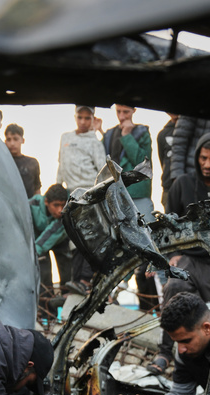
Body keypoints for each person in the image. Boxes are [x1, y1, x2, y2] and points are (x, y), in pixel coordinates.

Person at [150, 133, 210, 374]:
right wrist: (174, 255)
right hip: (189, 258)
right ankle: (164, 352)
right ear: (196, 157)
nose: (208, 164)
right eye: (203, 158)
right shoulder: (182, 184)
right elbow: (169, 223)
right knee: (174, 287)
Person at [56, 105, 107, 290]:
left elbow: (103, 171)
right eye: (80, 117)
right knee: (73, 238)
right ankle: (75, 280)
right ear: (75, 117)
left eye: (87, 118)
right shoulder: (66, 138)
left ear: (92, 119)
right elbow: (61, 164)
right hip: (71, 194)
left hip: (89, 194)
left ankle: (86, 279)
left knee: (89, 235)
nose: (83, 121)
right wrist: (58, 187)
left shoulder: (94, 141)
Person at [103, 104, 153, 220]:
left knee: (148, 229)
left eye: (126, 112)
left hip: (138, 193)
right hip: (115, 195)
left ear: (133, 111)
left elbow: (142, 163)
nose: (121, 116)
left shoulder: (142, 132)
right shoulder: (109, 134)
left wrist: (127, 135)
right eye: (118, 111)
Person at [30, 184, 71, 296]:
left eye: (62, 205)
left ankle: (67, 303)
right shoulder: (33, 205)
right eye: (56, 205)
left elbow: (53, 230)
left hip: (59, 240)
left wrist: (36, 248)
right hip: (39, 242)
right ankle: (47, 310)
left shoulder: (66, 212)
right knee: (44, 275)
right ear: (46, 202)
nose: (60, 210)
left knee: (67, 275)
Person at [5, 123, 41, 198]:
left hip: (28, 206)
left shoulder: (32, 163)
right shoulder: (3, 162)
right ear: (5, 141)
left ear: (22, 140)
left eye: (15, 139)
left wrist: (37, 207)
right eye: (9, 139)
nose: (12, 143)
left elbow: (37, 189)